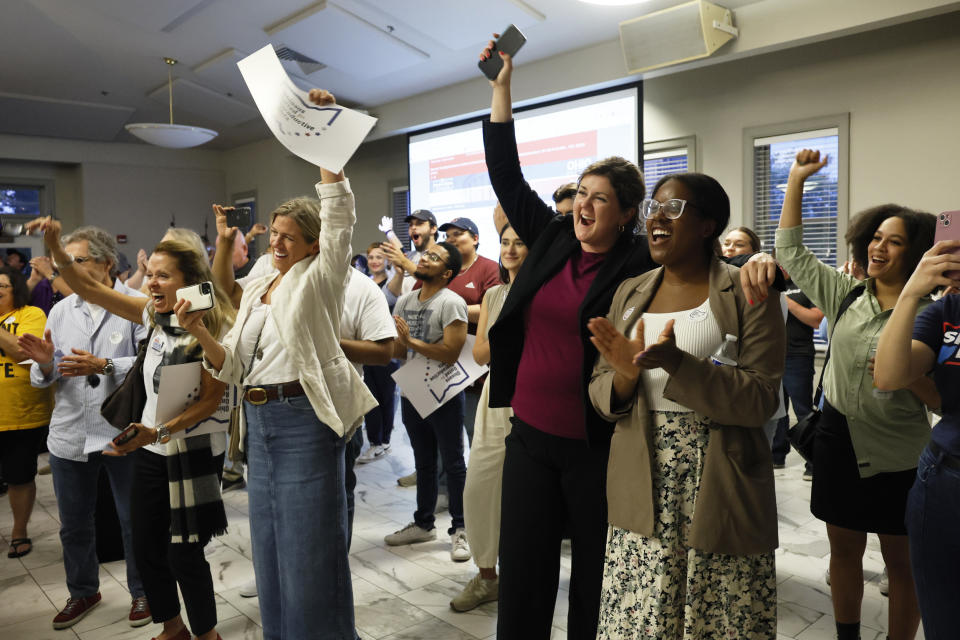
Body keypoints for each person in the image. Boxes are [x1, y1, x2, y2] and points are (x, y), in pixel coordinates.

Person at [177, 88, 375, 640]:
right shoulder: (263, 276)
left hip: (304, 421)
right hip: (259, 424)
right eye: (275, 233)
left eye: (291, 237)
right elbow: (234, 364)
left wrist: (325, 141)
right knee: (269, 549)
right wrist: (198, 331)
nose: (279, 242)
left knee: (310, 555)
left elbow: (338, 216)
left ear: (315, 245)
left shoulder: (324, 274)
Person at [479, 41, 656, 639]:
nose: (583, 204)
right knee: (525, 570)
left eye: (599, 198)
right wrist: (502, 87)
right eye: (581, 193)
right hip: (529, 435)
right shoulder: (553, 236)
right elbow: (506, 173)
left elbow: (700, 265)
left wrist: (759, 266)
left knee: (593, 579)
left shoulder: (640, 262)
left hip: (596, 444)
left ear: (627, 213)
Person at [742, 149, 938, 640]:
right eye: (875, 237)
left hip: (899, 454)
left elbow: (941, 402)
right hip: (837, 441)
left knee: (902, 564)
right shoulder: (845, 293)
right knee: (843, 551)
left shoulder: (931, 313)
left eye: (894, 242)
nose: (879, 248)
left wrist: (908, 375)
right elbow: (791, 252)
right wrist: (796, 180)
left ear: (914, 253)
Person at [587, 173, 784, 638]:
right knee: (640, 618)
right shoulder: (631, 291)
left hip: (717, 476)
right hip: (643, 472)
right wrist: (624, 377)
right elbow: (600, 390)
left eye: (672, 209)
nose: (656, 217)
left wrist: (679, 363)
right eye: (653, 208)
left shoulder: (746, 290)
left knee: (715, 620)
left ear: (707, 225)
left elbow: (761, 398)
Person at [25, 217, 235, 640]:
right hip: (152, 449)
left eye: (163, 276)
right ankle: (172, 627)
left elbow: (212, 399)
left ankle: (206, 633)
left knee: (185, 552)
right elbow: (87, 288)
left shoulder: (211, 324)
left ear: (188, 280)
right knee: (143, 545)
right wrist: (55, 249)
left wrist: (158, 432)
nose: (152, 283)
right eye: (150, 274)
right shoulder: (152, 315)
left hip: (190, 450)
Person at [18, 227, 150, 629]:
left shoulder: (135, 305)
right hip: (71, 431)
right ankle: (82, 591)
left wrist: (105, 365)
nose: (67, 269)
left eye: (76, 261)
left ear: (107, 263)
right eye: (65, 263)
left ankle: (143, 592)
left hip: (121, 432)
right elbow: (48, 374)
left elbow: (151, 364)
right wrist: (44, 363)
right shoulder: (62, 310)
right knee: (75, 524)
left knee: (134, 520)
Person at [875, 239, 960, 640]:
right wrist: (912, 291)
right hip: (945, 479)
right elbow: (889, 375)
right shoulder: (947, 311)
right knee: (944, 620)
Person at [452, 222, 527, 612]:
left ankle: (522, 577)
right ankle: (486, 576)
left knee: (527, 496)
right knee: (478, 486)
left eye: (519, 243)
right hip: (496, 396)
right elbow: (480, 355)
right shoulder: (495, 295)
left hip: (535, 397)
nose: (510, 250)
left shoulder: (542, 293)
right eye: (505, 242)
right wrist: (508, 336)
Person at [383, 241, 471, 562]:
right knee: (423, 462)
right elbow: (396, 350)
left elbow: (450, 354)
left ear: (446, 273)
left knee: (453, 462)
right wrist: (388, 343)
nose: (425, 258)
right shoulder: (404, 301)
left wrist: (411, 342)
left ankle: (460, 529)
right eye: (427, 254)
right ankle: (423, 523)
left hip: (443, 392)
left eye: (435, 257)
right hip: (411, 391)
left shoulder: (452, 303)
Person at [0, 265, 53, 559]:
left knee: (19, 477)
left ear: (15, 291)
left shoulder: (30, 315)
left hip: (19, 413)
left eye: (1, 288)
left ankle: (19, 531)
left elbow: (23, 352)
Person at [437, 216, 501, 444]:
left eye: (458, 234)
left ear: (475, 238)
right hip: (443, 362)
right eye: (447, 236)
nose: (451, 239)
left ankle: (476, 480)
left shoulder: (489, 267)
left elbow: (493, 307)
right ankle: (446, 481)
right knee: (445, 436)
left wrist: (452, 308)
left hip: (475, 364)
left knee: (476, 433)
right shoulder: (444, 271)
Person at [358, 241, 400, 463]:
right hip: (366, 347)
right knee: (370, 396)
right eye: (371, 257)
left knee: (386, 397)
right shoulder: (363, 283)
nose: (375, 261)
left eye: (379, 257)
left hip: (387, 350)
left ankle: (384, 440)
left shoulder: (392, 284)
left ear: (387, 260)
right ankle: (375, 441)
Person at [381, 208, 438, 298]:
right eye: (410, 225)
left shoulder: (442, 256)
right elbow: (388, 298)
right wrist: (399, 275)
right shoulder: (406, 257)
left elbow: (433, 284)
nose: (413, 227)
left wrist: (404, 262)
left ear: (433, 228)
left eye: (420, 223)